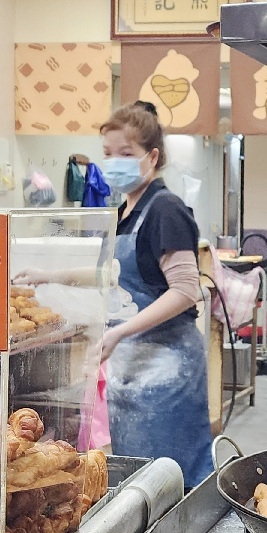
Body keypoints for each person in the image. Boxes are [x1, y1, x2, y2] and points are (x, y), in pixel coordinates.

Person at [17, 102, 212, 486]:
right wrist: (49, 275)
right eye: (108, 154)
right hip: (131, 366)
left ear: (152, 156)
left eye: (127, 154)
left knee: (172, 473)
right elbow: (114, 275)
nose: (114, 162)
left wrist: (119, 331)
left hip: (167, 366)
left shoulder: (165, 209)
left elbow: (187, 290)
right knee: (140, 472)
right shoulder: (124, 211)